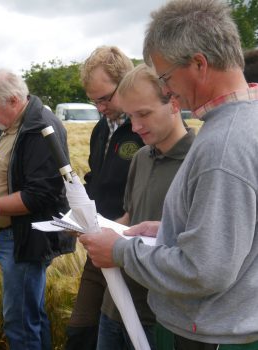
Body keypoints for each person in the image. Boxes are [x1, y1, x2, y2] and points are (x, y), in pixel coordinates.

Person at [80, 0, 258, 348]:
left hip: (208, 334)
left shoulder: (222, 145)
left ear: (198, 64)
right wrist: (169, 231)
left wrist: (120, 252)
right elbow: (236, 236)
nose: (167, 90)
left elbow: (204, 270)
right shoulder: (242, 123)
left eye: (165, 77)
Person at [0, 69, 75, 350]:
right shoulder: (16, 124)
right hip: (14, 237)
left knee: (20, 321)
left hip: (25, 239)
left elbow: (40, 195)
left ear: (13, 100)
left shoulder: (39, 129)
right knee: (29, 314)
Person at [96, 64, 195, 350]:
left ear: (174, 102)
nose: (135, 126)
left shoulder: (199, 161)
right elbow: (131, 217)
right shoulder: (140, 157)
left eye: (144, 114)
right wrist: (99, 230)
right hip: (114, 303)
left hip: (158, 319)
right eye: (130, 116)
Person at [66, 46, 144, 350]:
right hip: (97, 244)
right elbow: (95, 179)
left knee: (120, 334)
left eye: (105, 98)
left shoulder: (143, 130)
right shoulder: (101, 130)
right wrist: (77, 212)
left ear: (126, 82)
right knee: (79, 331)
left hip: (131, 248)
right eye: (93, 100)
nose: (100, 107)